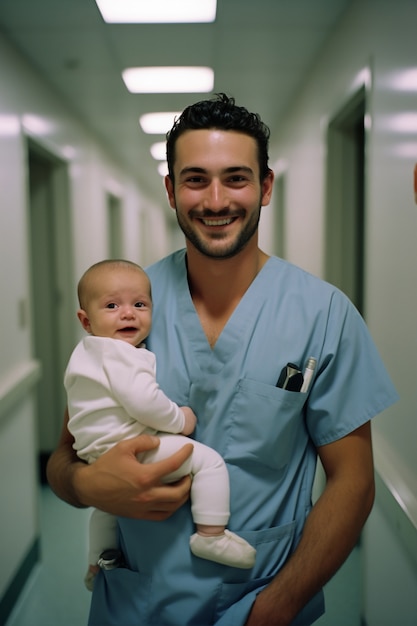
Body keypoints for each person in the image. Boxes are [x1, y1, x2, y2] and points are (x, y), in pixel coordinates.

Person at [47, 93, 398, 626]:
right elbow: (64, 460)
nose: (215, 200)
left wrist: (275, 609)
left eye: (236, 178)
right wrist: (84, 485)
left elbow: (353, 481)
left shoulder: (323, 314)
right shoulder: (125, 306)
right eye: (194, 179)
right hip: (137, 602)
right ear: (170, 190)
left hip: (262, 598)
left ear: (266, 186)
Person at [64, 259, 256, 589]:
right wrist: (180, 419)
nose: (128, 313)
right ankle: (211, 535)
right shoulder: (123, 353)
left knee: (106, 511)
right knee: (208, 462)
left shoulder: (85, 352)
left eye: (140, 305)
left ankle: (98, 563)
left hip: (95, 452)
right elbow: (143, 401)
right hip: (130, 446)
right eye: (112, 306)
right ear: (86, 319)